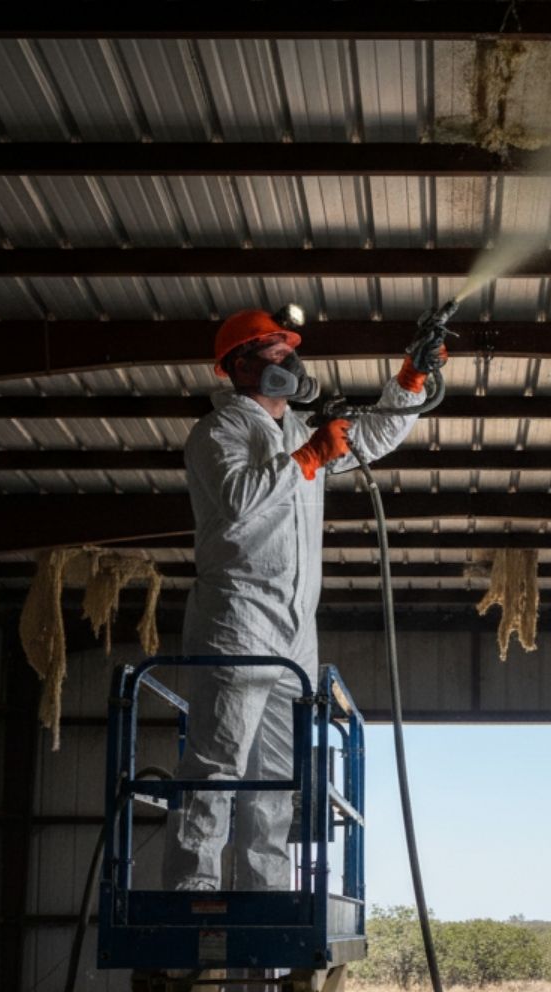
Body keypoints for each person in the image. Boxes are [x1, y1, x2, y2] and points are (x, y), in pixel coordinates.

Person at [163, 307, 446, 898]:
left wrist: (411, 380)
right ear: (241, 368)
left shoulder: (293, 432)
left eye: (289, 349)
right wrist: (310, 458)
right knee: (216, 772)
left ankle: (264, 914)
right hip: (236, 624)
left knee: (273, 786)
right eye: (273, 352)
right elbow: (240, 500)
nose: (289, 361)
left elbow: (369, 436)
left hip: (293, 632)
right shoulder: (218, 432)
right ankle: (191, 905)